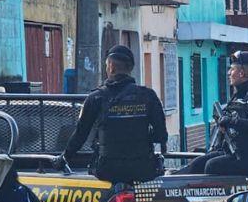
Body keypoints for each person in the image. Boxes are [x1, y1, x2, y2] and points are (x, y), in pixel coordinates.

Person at [55, 45, 167, 185]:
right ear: (130, 69)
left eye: (107, 66)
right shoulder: (148, 95)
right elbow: (161, 135)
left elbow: (80, 135)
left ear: (111, 66)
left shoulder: (95, 98)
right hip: (142, 170)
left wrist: (64, 158)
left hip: (107, 171)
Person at [182, 51, 248, 177]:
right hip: (239, 151)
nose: (228, 73)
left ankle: (230, 196)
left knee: (213, 166)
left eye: (231, 69)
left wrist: (234, 122)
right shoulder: (241, 93)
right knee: (197, 164)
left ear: (241, 73)